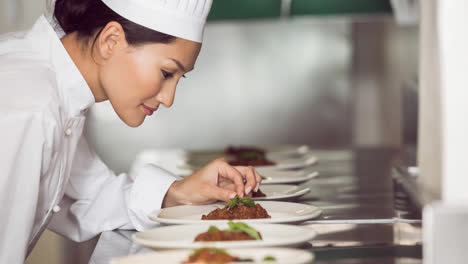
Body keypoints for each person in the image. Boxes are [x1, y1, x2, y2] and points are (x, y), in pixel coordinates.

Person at [0, 0, 262, 262]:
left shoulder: (57, 87)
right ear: (111, 40)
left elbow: (87, 196)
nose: (169, 99)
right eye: (167, 72)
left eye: (178, 78)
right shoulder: (29, 105)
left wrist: (176, 192)